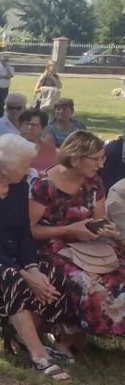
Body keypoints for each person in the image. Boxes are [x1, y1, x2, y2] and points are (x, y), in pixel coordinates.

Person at [0, 135, 76, 381]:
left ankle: (23, 333)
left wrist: (32, 267)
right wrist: (24, 273)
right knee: (13, 279)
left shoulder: (19, 186)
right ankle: (39, 354)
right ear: (5, 168)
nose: (29, 169)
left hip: (13, 256)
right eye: (24, 165)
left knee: (56, 276)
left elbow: (23, 231)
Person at [30, 131, 125, 339]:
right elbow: (30, 230)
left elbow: (98, 220)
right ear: (75, 158)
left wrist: (105, 228)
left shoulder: (94, 183)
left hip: (87, 246)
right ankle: (67, 336)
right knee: (86, 282)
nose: (100, 164)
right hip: (50, 250)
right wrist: (69, 230)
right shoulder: (44, 185)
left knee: (120, 270)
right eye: (96, 159)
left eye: (103, 158)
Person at [18, 109, 59, 176]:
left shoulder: (50, 150)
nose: (29, 127)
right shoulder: (8, 147)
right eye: (26, 123)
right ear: (19, 126)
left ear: (43, 129)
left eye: (34, 125)